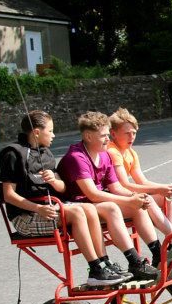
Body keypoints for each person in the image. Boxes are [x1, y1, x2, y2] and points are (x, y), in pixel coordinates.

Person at [0, 110, 128, 286]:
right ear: (37, 132)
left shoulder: (46, 154)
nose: (53, 135)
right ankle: (95, 268)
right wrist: (38, 208)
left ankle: (104, 263)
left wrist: (54, 180)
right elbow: (9, 195)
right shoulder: (13, 154)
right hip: (26, 217)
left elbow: (63, 188)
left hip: (51, 208)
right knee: (77, 213)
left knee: (88, 208)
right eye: (50, 131)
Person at [56, 111, 162, 280]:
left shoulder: (104, 154)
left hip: (95, 203)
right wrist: (130, 199)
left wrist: (138, 196)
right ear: (89, 136)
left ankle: (159, 254)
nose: (108, 139)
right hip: (79, 205)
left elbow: (116, 187)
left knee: (138, 206)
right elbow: (92, 194)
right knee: (112, 207)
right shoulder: (77, 157)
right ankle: (134, 261)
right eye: (103, 136)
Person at [107, 108, 172, 236]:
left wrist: (168, 187)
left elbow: (143, 181)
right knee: (147, 199)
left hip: (124, 194)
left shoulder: (131, 153)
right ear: (113, 134)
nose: (132, 137)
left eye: (134, 133)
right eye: (127, 133)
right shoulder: (112, 151)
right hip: (113, 196)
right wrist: (159, 189)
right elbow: (124, 185)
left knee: (168, 197)